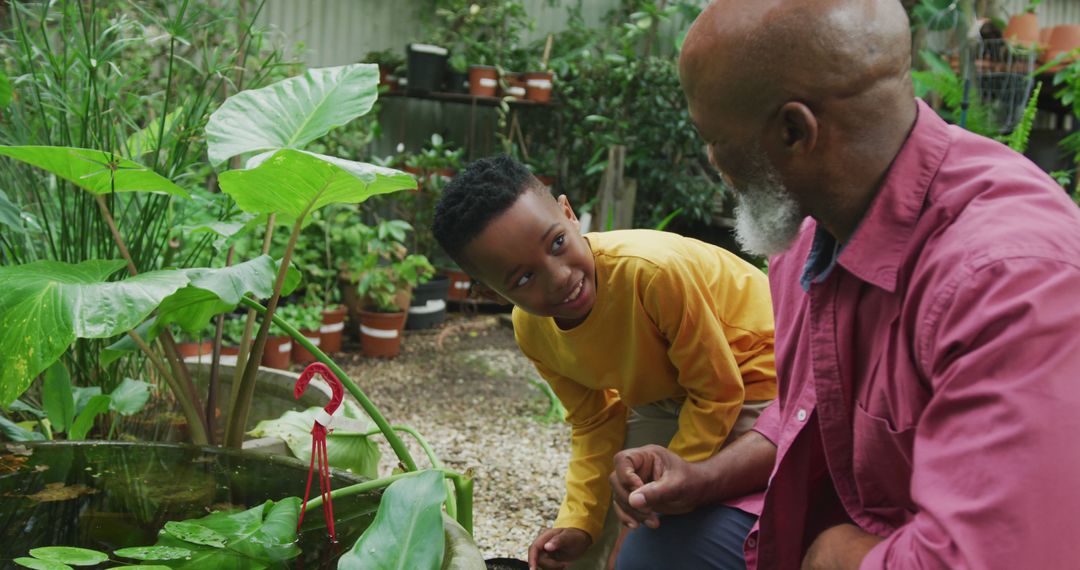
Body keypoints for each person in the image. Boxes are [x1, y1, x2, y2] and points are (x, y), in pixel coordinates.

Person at [609, 0, 1080, 568]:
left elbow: (1009, 553)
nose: (713, 159)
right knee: (653, 553)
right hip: (850, 527)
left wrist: (841, 558)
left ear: (793, 130)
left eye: (713, 138)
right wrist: (701, 478)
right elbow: (802, 413)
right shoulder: (809, 232)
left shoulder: (1007, 278)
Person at [432, 155, 777, 569]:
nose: (559, 278)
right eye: (524, 279)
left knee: (655, 529)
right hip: (677, 392)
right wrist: (578, 522)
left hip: (756, 368)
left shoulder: (651, 274)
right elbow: (595, 422)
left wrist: (657, 500)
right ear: (492, 295)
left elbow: (719, 391)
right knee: (600, 528)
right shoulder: (532, 329)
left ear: (568, 214)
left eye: (557, 243)